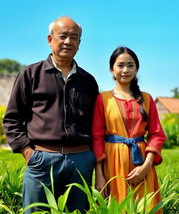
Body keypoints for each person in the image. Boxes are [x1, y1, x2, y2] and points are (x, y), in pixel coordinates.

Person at [3, 16, 99, 213]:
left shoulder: (88, 81)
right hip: (42, 160)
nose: (68, 41)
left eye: (74, 37)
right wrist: (28, 153)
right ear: (50, 39)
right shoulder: (30, 75)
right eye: (63, 36)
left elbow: (96, 123)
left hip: (80, 161)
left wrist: (91, 157)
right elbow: (12, 120)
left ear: (79, 43)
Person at [92, 46, 166, 213]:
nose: (125, 70)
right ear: (112, 69)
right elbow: (97, 138)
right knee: (117, 207)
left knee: (145, 207)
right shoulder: (103, 99)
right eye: (120, 65)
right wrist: (100, 176)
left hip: (142, 163)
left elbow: (156, 134)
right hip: (112, 165)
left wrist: (146, 166)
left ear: (136, 69)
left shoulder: (146, 99)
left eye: (130, 65)